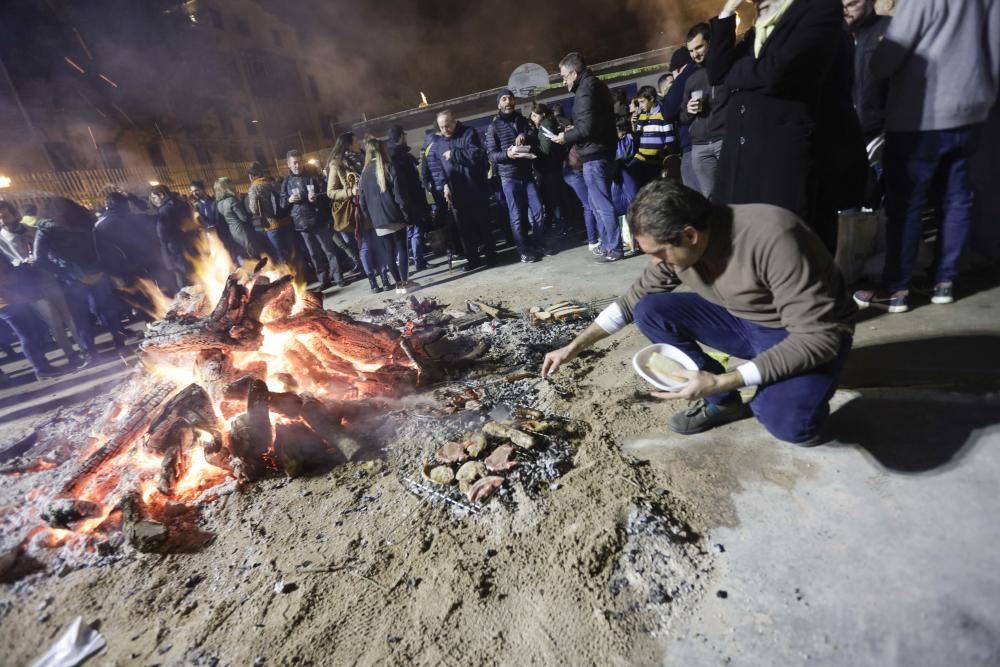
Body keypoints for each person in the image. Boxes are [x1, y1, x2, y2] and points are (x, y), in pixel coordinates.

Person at [542, 180, 856, 445]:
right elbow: (631, 301)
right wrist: (573, 347)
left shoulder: (773, 237)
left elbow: (818, 337)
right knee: (649, 309)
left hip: (806, 334)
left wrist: (724, 380)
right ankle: (724, 405)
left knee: (788, 425)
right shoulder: (679, 249)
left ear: (690, 235)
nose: (656, 263)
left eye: (660, 254)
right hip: (743, 319)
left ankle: (791, 391)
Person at [853, 0, 1000, 312]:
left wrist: (877, 53)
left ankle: (897, 289)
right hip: (971, 112)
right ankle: (944, 282)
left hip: (919, 116)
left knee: (907, 205)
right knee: (957, 199)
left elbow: (888, 59)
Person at [705, 0, 867, 253]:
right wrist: (726, 14)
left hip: (782, 160)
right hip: (743, 159)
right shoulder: (760, 24)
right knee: (748, 252)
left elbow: (778, 73)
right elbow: (716, 72)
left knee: (791, 250)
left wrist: (735, 74)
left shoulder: (818, 9)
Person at [34, 198, 127, 362]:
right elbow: (103, 246)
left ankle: (90, 353)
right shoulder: (86, 221)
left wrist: (61, 272)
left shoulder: (45, 230)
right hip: (97, 272)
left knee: (80, 318)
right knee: (107, 311)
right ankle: (120, 344)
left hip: (72, 278)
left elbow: (39, 259)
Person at [554, 52, 622, 263]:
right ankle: (606, 244)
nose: (563, 81)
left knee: (601, 203)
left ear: (574, 73)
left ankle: (614, 248)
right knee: (596, 202)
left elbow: (586, 128)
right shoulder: (595, 85)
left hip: (594, 155)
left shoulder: (585, 90)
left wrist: (566, 136)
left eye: (564, 76)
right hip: (602, 151)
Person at [0, 200, 83, 367]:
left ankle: (84, 348)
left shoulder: (33, 230)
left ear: (16, 214)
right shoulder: (1, 240)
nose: (3, 221)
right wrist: (21, 265)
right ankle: (71, 354)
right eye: (0, 218)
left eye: (5, 216)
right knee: (54, 323)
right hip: (30, 286)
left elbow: (50, 250)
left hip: (48, 278)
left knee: (69, 317)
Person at [428, 109, 497, 271]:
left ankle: (491, 256)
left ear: (454, 121)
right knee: (464, 230)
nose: (445, 130)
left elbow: (475, 155)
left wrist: (454, 154)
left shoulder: (468, 133)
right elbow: (439, 168)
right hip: (456, 193)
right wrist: (444, 185)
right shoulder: (440, 143)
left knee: (484, 226)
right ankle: (473, 260)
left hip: (476, 189)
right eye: (441, 127)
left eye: (447, 126)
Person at [486, 88, 548, 262]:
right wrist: (507, 154)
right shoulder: (493, 127)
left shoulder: (522, 121)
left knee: (538, 212)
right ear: (499, 104)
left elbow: (535, 139)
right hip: (508, 178)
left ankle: (537, 244)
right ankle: (524, 250)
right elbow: (491, 155)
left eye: (510, 98)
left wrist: (524, 136)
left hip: (527, 175)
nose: (508, 102)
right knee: (517, 217)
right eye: (504, 99)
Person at [359, 136, 417, 295]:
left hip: (378, 220)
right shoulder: (389, 168)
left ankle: (398, 284)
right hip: (394, 215)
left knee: (388, 252)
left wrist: (371, 219)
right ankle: (405, 282)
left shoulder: (363, 175)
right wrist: (406, 214)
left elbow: (362, 202)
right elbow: (399, 195)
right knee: (401, 249)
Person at [680, 22, 730, 199]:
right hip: (700, 148)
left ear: (710, 42)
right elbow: (683, 117)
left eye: (699, 47)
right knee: (711, 199)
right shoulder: (691, 80)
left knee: (734, 193)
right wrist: (689, 110)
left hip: (725, 140)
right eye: (691, 51)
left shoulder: (726, 68)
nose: (695, 54)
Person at [281, 149, 344, 289]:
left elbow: (325, 193)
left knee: (329, 250)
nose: (298, 165)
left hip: (318, 219)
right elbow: (281, 203)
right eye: (295, 163)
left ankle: (338, 276)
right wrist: (289, 200)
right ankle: (323, 280)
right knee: (314, 254)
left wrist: (317, 197)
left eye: (300, 162)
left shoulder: (312, 176)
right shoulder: (286, 182)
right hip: (302, 224)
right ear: (289, 164)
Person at [0, 254, 63, 380]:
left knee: (34, 334)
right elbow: (6, 280)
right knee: (27, 336)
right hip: (9, 304)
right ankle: (40, 369)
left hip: (16, 301)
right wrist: (21, 271)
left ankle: (43, 366)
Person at [386, 125, 430, 273]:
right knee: (415, 231)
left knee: (406, 234)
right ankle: (419, 262)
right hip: (410, 198)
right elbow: (408, 179)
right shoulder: (400, 155)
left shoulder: (390, 154)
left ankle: (407, 262)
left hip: (401, 200)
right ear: (400, 137)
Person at [661, 46, 702, 193]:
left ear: (677, 69)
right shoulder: (708, 68)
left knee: (697, 199)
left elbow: (668, 110)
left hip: (693, 146)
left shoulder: (686, 75)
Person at [325, 132, 366, 275]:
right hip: (353, 209)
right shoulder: (337, 164)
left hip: (368, 204)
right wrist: (350, 191)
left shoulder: (364, 157)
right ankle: (369, 271)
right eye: (356, 142)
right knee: (361, 243)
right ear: (348, 145)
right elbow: (331, 192)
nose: (359, 144)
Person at [531, 103, 571, 240]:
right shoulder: (548, 124)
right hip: (553, 167)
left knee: (553, 199)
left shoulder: (545, 126)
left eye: (534, 115)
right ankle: (563, 225)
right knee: (556, 198)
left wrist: (533, 151)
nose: (532, 118)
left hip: (549, 168)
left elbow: (546, 149)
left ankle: (561, 226)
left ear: (542, 115)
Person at [150, 184, 200, 290]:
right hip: (191, 246)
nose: (154, 201)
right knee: (198, 276)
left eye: (154, 198)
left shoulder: (165, 210)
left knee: (185, 285)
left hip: (176, 251)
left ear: (161, 194)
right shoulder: (183, 204)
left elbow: (162, 234)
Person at [246, 162, 296, 266]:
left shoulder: (254, 188)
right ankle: (304, 274)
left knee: (281, 254)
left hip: (272, 225)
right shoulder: (273, 182)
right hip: (286, 220)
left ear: (251, 176)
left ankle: (291, 278)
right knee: (294, 250)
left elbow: (254, 209)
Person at [628, 85, 675, 188]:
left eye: (642, 102)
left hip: (655, 160)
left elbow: (670, 140)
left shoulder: (663, 115)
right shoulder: (642, 116)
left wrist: (663, 157)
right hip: (641, 157)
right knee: (629, 179)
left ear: (652, 99)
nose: (640, 106)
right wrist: (633, 124)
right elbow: (637, 134)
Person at [214, 178, 268, 261]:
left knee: (245, 254)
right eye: (231, 184)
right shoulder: (232, 200)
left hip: (233, 231)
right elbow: (244, 218)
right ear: (227, 187)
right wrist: (243, 203)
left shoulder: (219, 204)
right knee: (253, 252)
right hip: (242, 230)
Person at [190, 179, 238, 262]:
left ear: (203, 189)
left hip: (223, 236)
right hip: (210, 240)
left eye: (196, 190)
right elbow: (199, 225)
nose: (195, 193)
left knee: (232, 259)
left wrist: (214, 226)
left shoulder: (215, 202)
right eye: (193, 191)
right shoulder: (197, 207)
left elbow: (220, 218)